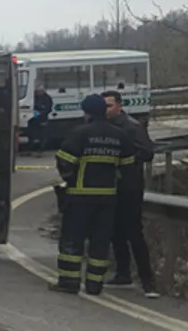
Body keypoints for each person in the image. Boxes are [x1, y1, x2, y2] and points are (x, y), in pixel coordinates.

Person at [52, 94, 135, 295]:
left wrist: (70, 182)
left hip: (80, 196)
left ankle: (69, 282)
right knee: (100, 241)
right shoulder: (120, 135)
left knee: (73, 239)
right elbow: (128, 168)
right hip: (107, 198)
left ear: (86, 112)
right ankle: (94, 284)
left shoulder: (79, 133)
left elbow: (65, 162)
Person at [102, 90, 159, 298]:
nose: (106, 110)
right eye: (104, 106)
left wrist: (126, 157)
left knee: (134, 232)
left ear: (119, 105)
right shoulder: (104, 127)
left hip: (130, 187)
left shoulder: (132, 127)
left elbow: (148, 152)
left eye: (109, 105)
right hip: (110, 186)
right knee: (115, 231)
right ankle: (122, 273)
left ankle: (148, 281)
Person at [26, 86, 54, 152]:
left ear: (42, 91)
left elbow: (48, 108)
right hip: (34, 118)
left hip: (43, 119)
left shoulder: (47, 98)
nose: (37, 93)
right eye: (36, 92)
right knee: (32, 134)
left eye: (38, 92)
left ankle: (41, 149)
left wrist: (41, 113)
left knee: (43, 135)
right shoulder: (34, 97)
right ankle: (31, 149)